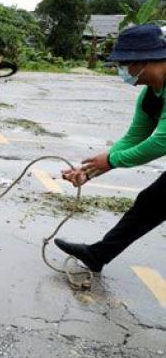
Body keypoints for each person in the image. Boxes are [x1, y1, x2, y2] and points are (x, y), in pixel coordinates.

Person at [56, 24, 166, 273]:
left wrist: (112, 161)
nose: (122, 70)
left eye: (124, 63)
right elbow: (134, 138)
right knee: (151, 202)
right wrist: (90, 170)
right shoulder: (149, 95)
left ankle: (98, 254)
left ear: (144, 60)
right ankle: (97, 255)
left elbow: (161, 142)